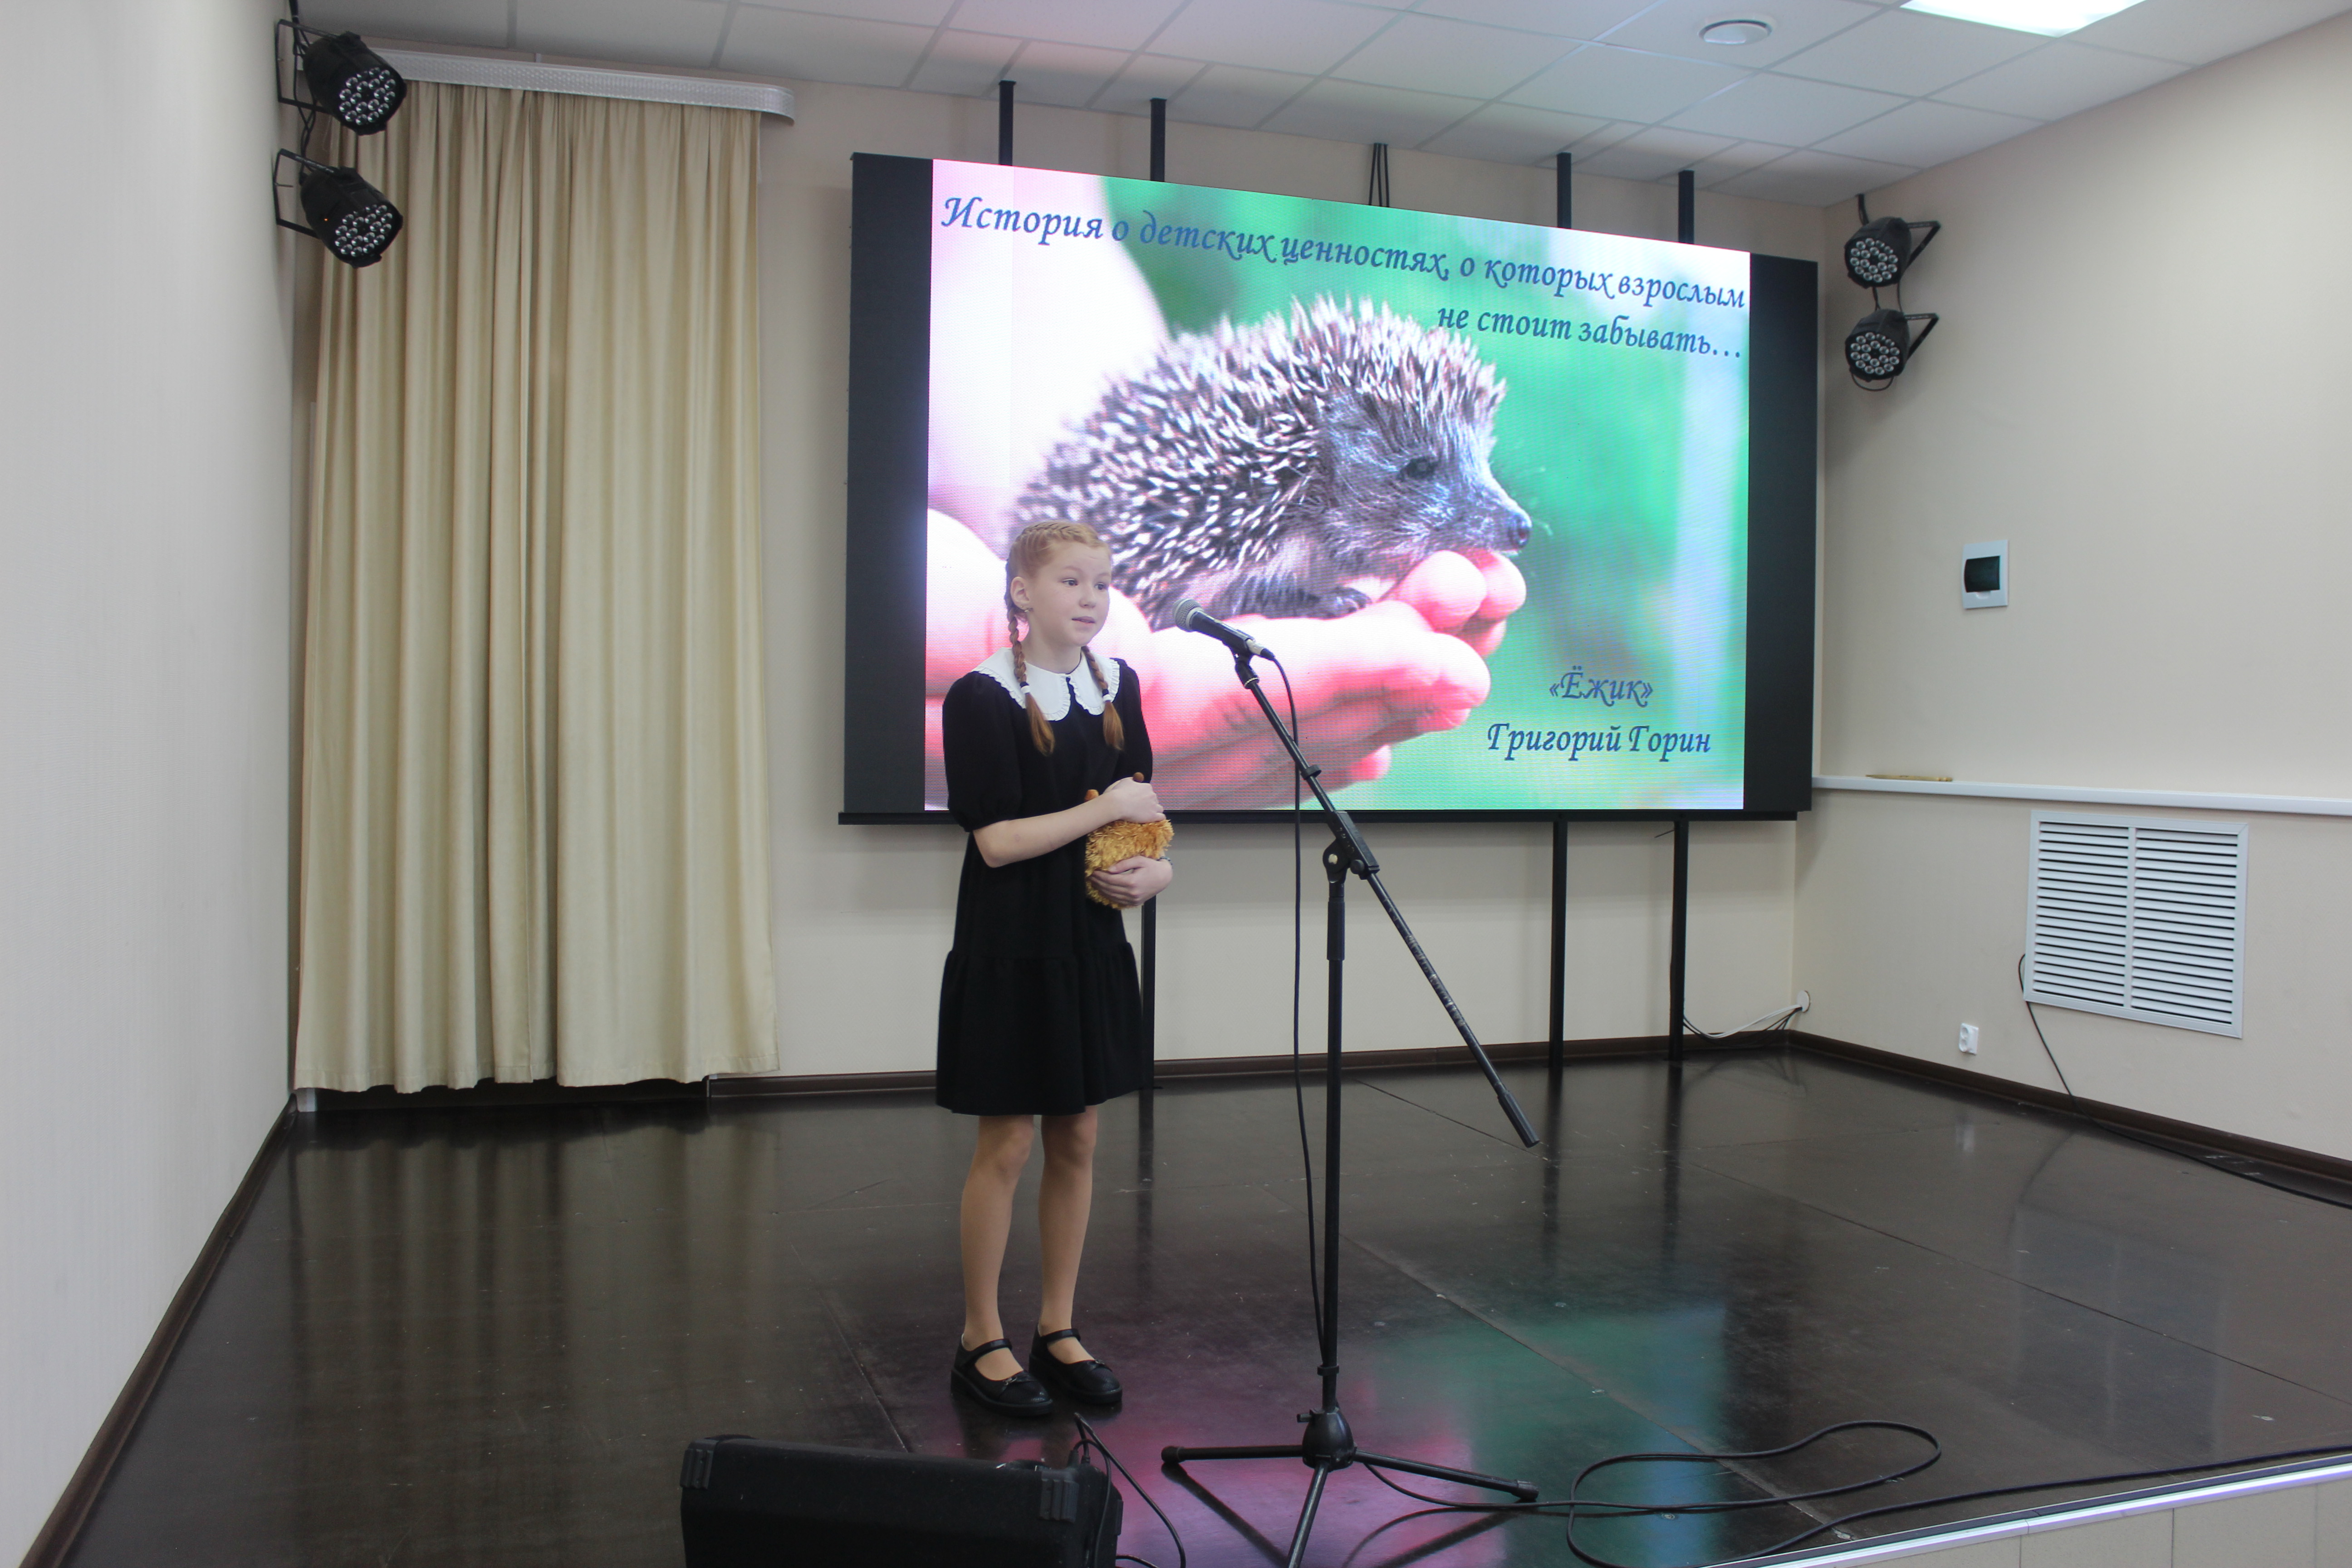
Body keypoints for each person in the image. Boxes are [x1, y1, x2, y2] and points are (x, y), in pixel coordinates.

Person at [938, 519, 1175, 1416]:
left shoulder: (1121, 685)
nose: (1090, 598)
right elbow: (996, 842)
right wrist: (1104, 810)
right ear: (1021, 592)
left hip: (1090, 942)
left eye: (1102, 584)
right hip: (1010, 945)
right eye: (1071, 581)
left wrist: (1158, 872)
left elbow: (1143, 817)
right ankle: (980, 1338)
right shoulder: (980, 696)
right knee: (1006, 1144)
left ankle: (1058, 1327)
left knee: (1078, 1137)